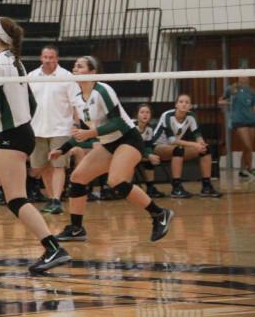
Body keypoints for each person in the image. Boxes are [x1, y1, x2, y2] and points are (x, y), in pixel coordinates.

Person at [0, 17, 71, 274]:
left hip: (12, 136)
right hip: (15, 133)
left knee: (15, 199)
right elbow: (31, 104)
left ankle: (53, 247)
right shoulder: (16, 62)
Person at [50, 56, 174, 243]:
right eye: (74, 66)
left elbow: (117, 122)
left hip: (128, 139)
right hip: (108, 143)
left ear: (93, 72)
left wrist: (92, 133)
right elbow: (83, 130)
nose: (75, 68)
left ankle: (159, 214)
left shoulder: (102, 90)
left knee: (116, 180)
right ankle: (76, 229)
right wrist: (63, 148)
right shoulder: (78, 98)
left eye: (80, 66)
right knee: (77, 178)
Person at [28, 45, 76, 215]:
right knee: (42, 167)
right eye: (45, 57)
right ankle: (51, 199)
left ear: (57, 59)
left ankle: (56, 199)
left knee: (58, 165)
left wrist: (76, 125)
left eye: (51, 57)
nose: (48, 60)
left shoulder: (66, 77)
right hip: (37, 128)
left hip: (61, 128)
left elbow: (75, 103)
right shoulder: (32, 76)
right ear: (41, 58)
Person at [153, 93, 221, 198]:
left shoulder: (191, 116)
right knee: (178, 149)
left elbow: (197, 134)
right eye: (181, 102)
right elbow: (171, 140)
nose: (184, 104)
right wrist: (194, 144)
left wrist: (201, 143)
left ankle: (206, 187)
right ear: (176, 105)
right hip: (157, 147)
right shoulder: (167, 115)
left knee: (205, 149)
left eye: (187, 102)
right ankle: (176, 188)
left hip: (174, 148)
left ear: (190, 106)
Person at [219, 76, 255, 178]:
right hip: (238, 120)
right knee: (248, 145)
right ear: (238, 76)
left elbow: (253, 107)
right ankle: (250, 168)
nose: (244, 77)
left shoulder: (252, 91)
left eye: (246, 75)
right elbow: (220, 101)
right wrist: (229, 103)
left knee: (247, 147)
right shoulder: (231, 89)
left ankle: (242, 170)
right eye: (241, 75)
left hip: (252, 121)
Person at [134, 103, 165, 198]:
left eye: (147, 112)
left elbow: (148, 147)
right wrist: (148, 155)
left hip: (138, 153)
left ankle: (150, 188)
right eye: (142, 112)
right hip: (125, 152)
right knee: (147, 157)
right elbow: (132, 146)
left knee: (150, 160)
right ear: (136, 115)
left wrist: (151, 156)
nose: (145, 114)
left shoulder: (149, 128)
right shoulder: (132, 126)